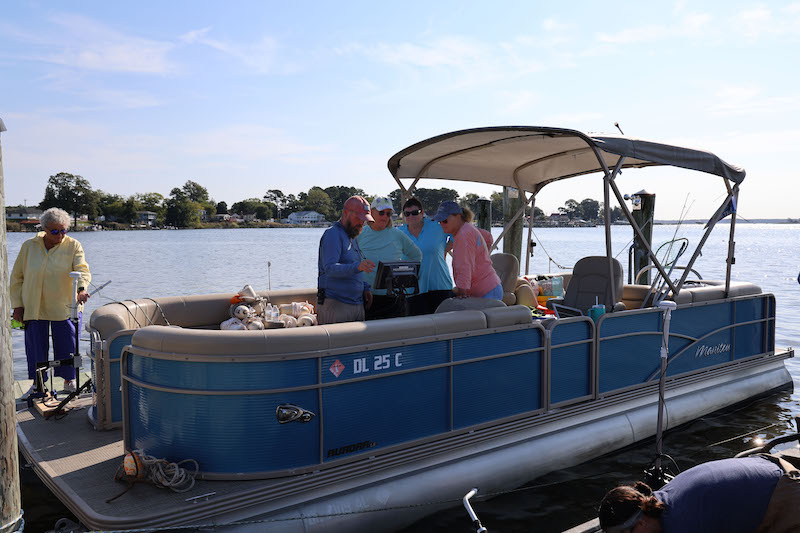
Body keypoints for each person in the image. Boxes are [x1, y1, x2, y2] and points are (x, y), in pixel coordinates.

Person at [597, 455, 800, 532]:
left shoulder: (683, 523)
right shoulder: (659, 500)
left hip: (786, 495)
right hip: (765, 465)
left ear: (641, 523)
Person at [10, 207, 91, 398]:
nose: (60, 235)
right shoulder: (29, 246)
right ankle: (39, 385)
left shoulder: (74, 246)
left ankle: (69, 381)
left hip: (65, 306)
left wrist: (81, 289)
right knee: (35, 347)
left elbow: (82, 270)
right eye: (55, 231)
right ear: (44, 229)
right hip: (34, 305)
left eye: (64, 230)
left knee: (68, 345)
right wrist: (17, 306)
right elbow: (16, 278)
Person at [357, 196, 422, 320]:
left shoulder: (397, 234)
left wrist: (402, 273)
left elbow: (416, 256)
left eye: (388, 214)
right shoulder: (360, 234)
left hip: (394, 299)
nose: (385, 217)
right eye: (381, 213)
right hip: (366, 297)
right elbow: (348, 260)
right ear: (371, 212)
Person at [317, 196, 375, 325]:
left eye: (364, 220)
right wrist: (358, 267)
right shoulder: (332, 234)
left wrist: (365, 288)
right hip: (336, 305)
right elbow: (330, 269)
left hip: (356, 304)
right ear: (346, 213)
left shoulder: (352, 236)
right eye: (358, 218)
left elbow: (354, 267)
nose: (361, 223)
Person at [432, 201, 502, 300]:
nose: (442, 224)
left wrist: (462, 293)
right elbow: (488, 237)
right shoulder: (468, 228)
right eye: (440, 221)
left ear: (458, 216)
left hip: (486, 293)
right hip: (492, 287)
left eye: (445, 220)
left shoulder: (463, 235)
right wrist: (481, 254)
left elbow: (464, 266)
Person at [398, 197, 454, 315]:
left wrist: (444, 249)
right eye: (407, 214)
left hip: (440, 286)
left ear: (422, 213)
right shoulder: (399, 233)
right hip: (413, 291)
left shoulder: (437, 226)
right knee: (419, 330)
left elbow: (457, 231)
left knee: (445, 329)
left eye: (414, 213)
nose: (411, 217)